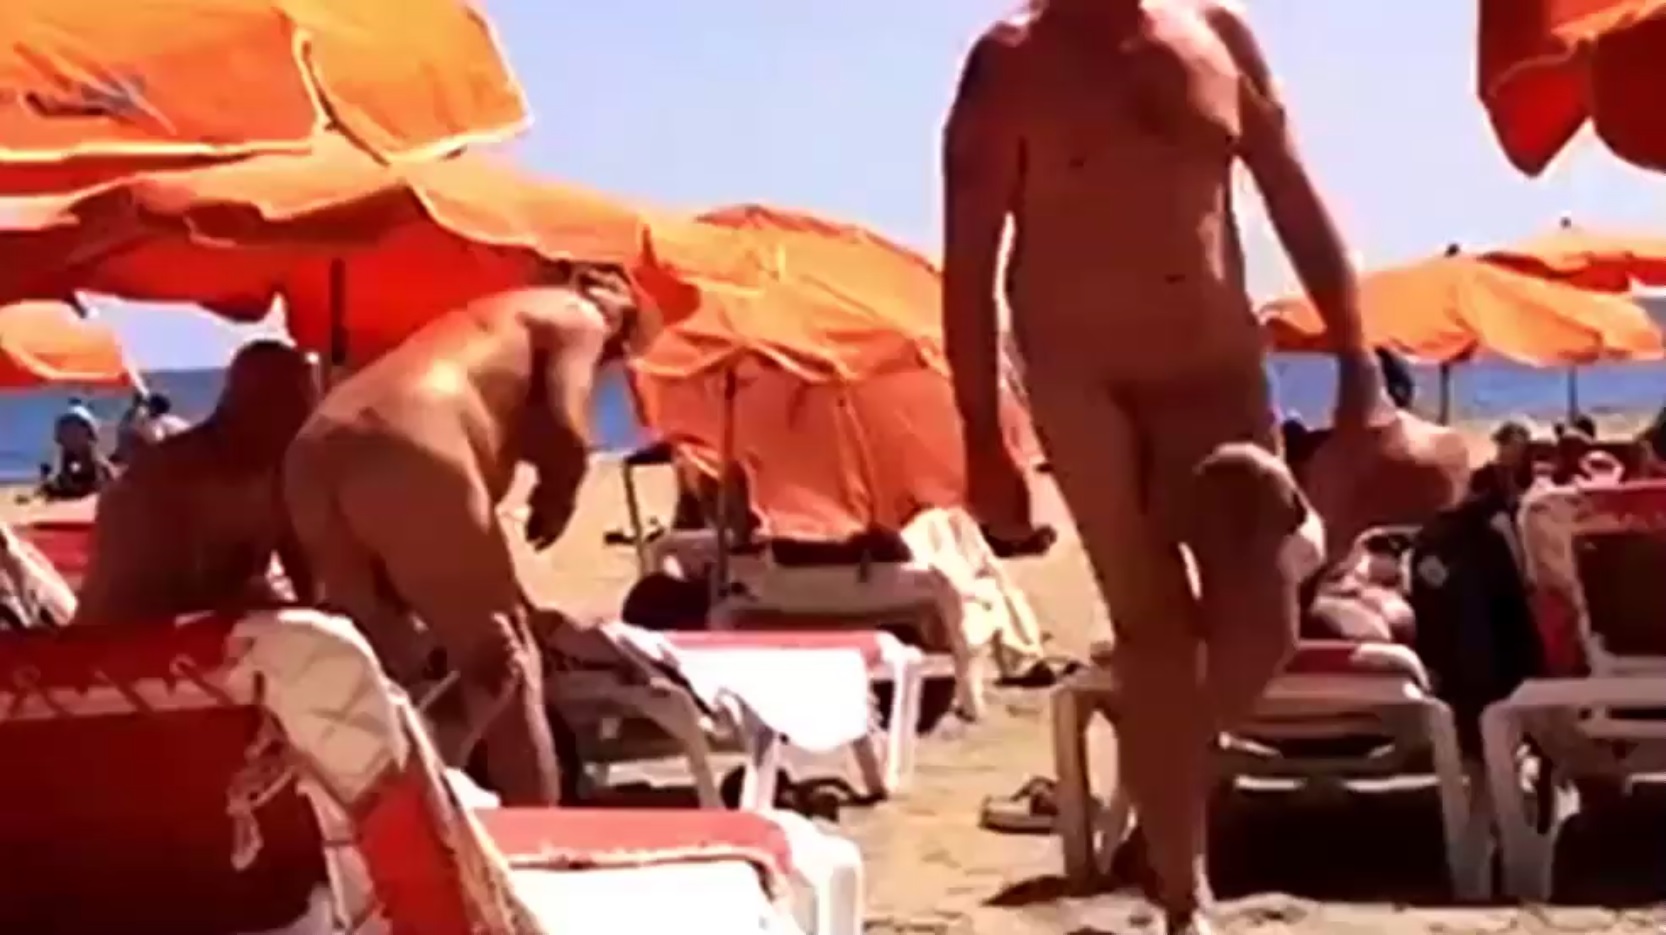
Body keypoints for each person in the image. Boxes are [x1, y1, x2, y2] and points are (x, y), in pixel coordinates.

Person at [941, 1, 1402, 928]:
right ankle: (1185, 894)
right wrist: (985, 438)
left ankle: (1161, 764)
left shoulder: (1216, 37)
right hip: (1079, 377)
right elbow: (970, 262)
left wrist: (1359, 360)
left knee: (1264, 617)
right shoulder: (1010, 61)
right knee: (1150, 626)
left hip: (1216, 366)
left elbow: (1292, 194)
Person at [283, 263, 643, 808]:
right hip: (410, 442)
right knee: (507, 662)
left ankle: (381, 818)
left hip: (314, 451)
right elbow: (568, 423)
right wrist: (561, 491)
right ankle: (533, 830)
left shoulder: (495, 318)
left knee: (381, 673)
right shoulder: (581, 316)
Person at [70, 341, 317, 625]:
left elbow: (305, 573)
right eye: (294, 406)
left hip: (216, 634)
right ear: (246, 405)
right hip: (126, 637)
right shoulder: (163, 478)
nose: (306, 420)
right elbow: (136, 600)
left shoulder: (276, 472)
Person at [39, 403, 112, 501]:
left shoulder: (104, 471)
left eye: (75, 431)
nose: (70, 435)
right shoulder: (58, 478)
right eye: (66, 431)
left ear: (88, 433)